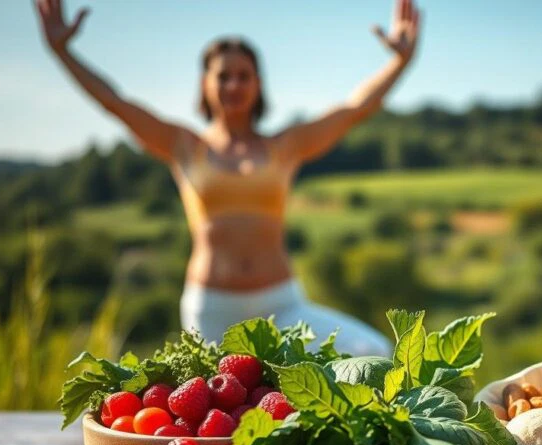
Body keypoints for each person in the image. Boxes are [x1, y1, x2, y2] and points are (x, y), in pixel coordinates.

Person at [35, 0, 422, 356]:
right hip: (212, 310)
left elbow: (356, 108)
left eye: (244, 76)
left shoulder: (285, 147)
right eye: (223, 76)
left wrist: (399, 63)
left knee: (373, 351)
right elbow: (114, 102)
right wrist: (63, 52)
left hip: (283, 304)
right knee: (225, 418)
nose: (233, 85)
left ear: (258, 84)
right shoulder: (183, 146)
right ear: (205, 83)